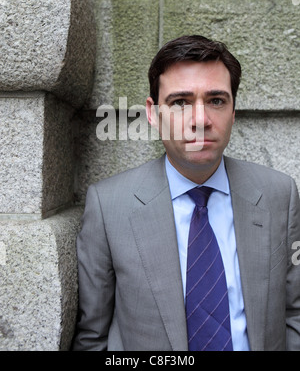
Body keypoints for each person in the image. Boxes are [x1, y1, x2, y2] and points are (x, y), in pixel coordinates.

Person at [72, 35, 300, 351]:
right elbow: (91, 337)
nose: (201, 120)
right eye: (180, 102)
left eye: (216, 101)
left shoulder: (280, 194)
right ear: (152, 114)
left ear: (233, 111)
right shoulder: (109, 206)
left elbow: (294, 313)